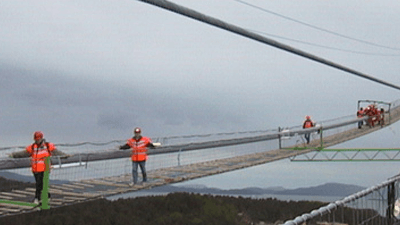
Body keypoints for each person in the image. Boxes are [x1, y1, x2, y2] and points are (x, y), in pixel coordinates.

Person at [26, 131, 56, 204]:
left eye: (38, 139)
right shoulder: (33, 147)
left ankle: (38, 198)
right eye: (36, 139)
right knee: (40, 183)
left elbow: (56, 152)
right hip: (36, 169)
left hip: (45, 168)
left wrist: (65, 156)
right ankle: (45, 196)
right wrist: (13, 155)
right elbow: (24, 153)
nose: (37, 140)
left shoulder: (48, 146)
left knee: (41, 183)